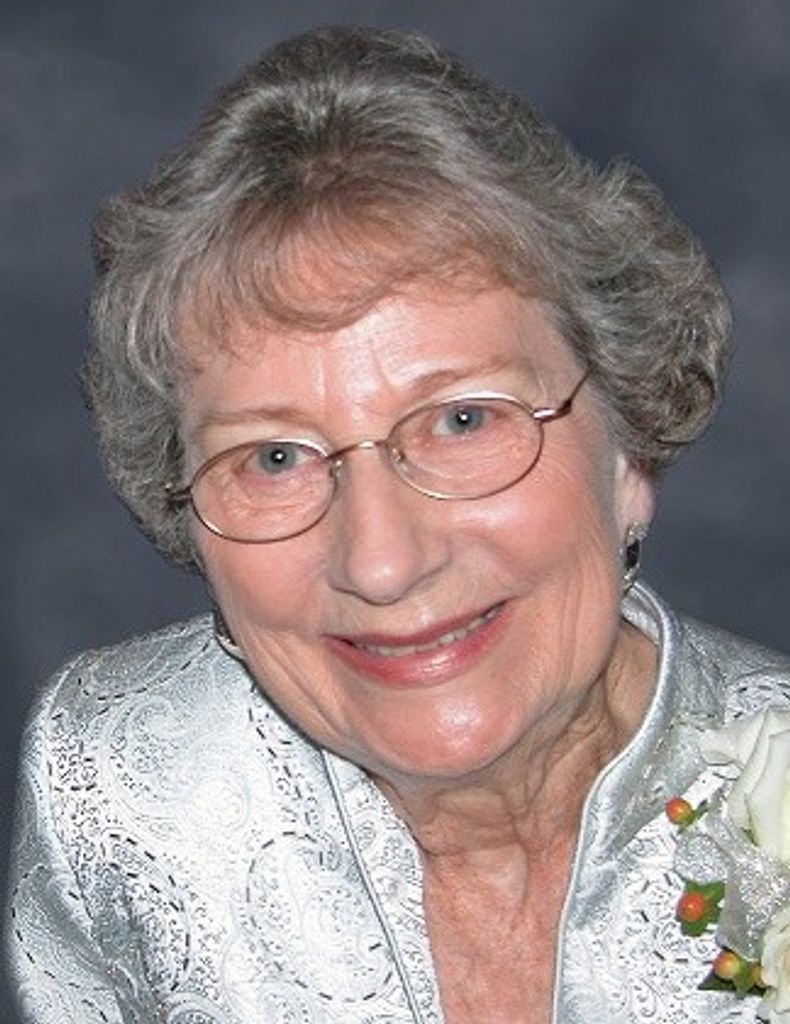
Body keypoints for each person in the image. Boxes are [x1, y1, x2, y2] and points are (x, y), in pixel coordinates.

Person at [5, 25, 789, 1024]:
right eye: (275, 457)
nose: (381, 562)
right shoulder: (117, 781)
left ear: (628, 452)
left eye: (463, 421)